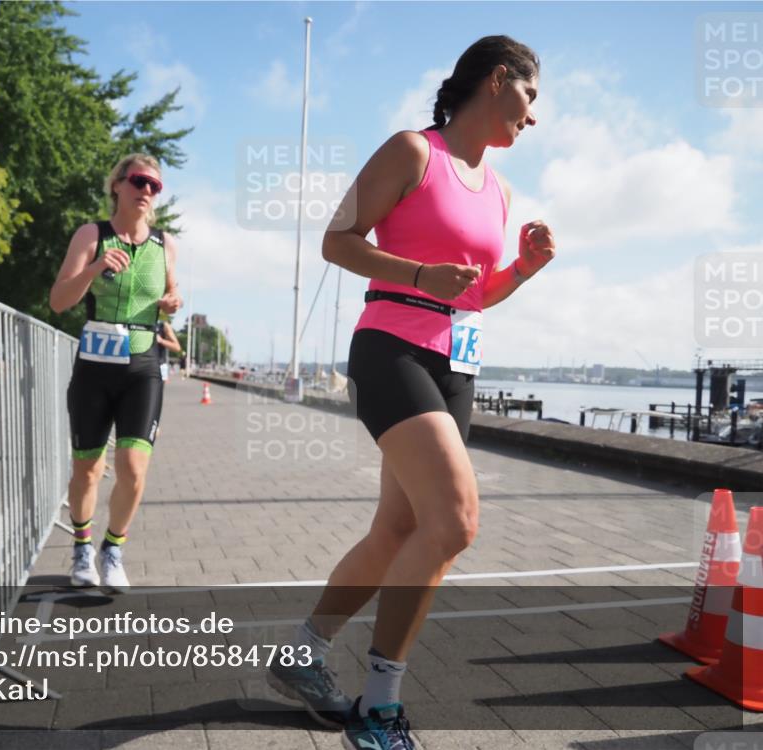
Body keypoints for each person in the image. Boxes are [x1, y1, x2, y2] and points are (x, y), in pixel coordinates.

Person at [267, 36, 555, 749]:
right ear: (497, 80)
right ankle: (381, 706)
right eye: (531, 96)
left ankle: (303, 656)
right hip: (392, 349)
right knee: (455, 522)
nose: (535, 117)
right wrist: (418, 276)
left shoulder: (500, 190)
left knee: (398, 531)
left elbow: (477, 296)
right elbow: (337, 241)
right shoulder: (412, 151)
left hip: (456, 364)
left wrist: (524, 268)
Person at [49, 153, 181, 592]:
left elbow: (172, 292)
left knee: (133, 468)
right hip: (94, 364)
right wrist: (95, 267)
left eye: (154, 186)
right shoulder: (93, 234)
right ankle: (82, 545)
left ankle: (113, 548)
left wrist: (173, 302)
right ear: (118, 186)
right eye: (140, 182)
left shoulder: (165, 244)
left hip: (143, 365)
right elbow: (59, 300)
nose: (147, 191)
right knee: (87, 468)